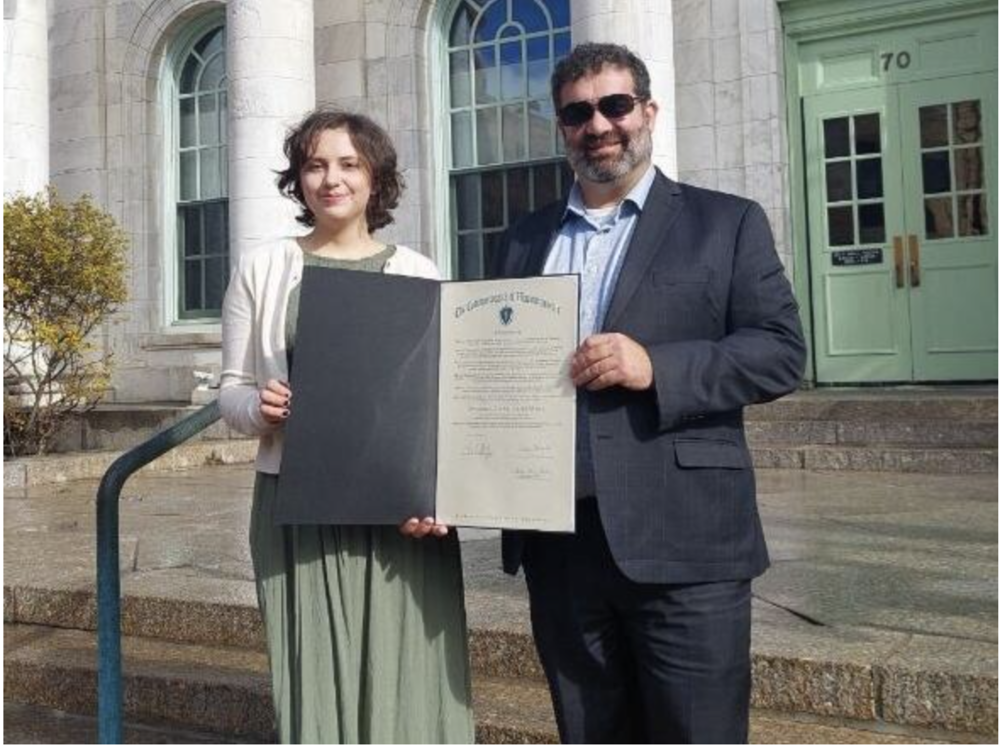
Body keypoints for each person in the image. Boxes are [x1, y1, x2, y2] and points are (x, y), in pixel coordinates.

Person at [490, 43, 806, 744]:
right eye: (578, 112)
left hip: (686, 543)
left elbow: (781, 353)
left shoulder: (726, 223)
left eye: (615, 105)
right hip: (560, 545)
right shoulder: (521, 240)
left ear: (648, 111)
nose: (598, 124)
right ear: (562, 127)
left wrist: (654, 365)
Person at [219, 109, 474, 744]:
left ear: (375, 177)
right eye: (315, 165)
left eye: (348, 164)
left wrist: (441, 495)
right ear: (299, 181)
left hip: (399, 507)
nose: (331, 179)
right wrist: (260, 409)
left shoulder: (420, 272)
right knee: (314, 672)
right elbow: (229, 390)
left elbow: (441, 402)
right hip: (298, 502)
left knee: (407, 670)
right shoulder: (263, 267)